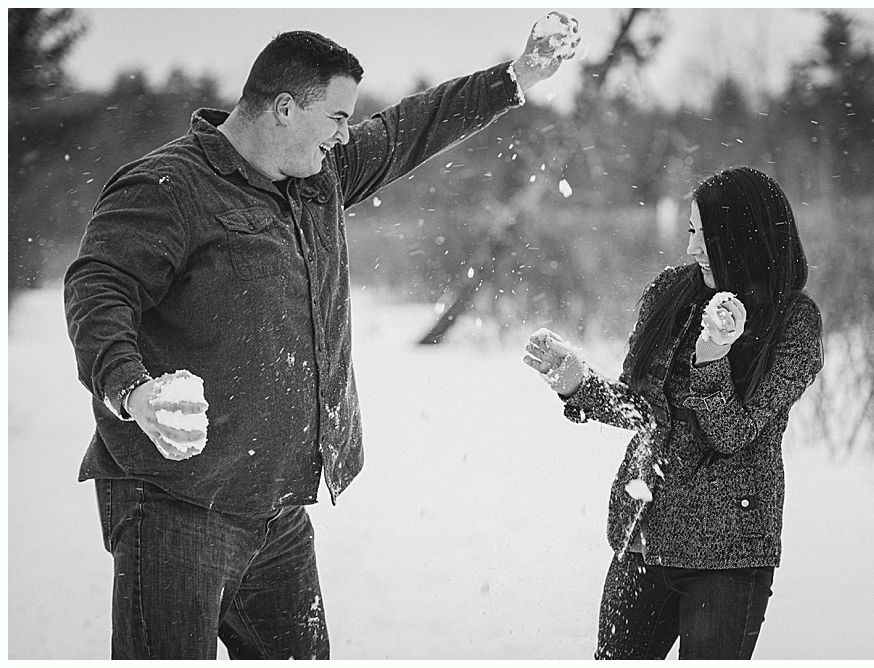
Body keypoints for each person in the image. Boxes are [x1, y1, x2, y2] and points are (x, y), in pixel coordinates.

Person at [64, 16, 580, 660]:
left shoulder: (317, 178)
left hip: (275, 509)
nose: (344, 135)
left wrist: (513, 79)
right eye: (336, 117)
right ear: (284, 108)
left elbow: (410, 128)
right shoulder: (170, 187)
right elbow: (98, 289)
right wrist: (131, 389)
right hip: (175, 504)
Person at [523, 166, 823, 660]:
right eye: (691, 232)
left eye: (708, 237)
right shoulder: (671, 294)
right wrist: (576, 382)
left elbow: (733, 434)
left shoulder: (793, 322)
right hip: (644, 539)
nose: (692, 250)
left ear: (744, 238)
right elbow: (645, 410)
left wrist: (712, 359)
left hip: (727, 556)